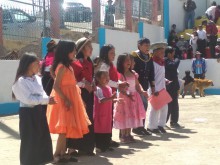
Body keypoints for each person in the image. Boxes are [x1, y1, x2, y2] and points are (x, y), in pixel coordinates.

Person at [47, 41, 91, 163]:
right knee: (63, 129)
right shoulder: (61, 67)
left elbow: (72, 84)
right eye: (73, 50)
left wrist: (80, 100)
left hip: (71, 98)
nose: (75, 53)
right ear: (66, 52)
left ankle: (62, 154)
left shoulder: (68, 66)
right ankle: (56, 155)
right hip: (64, 100)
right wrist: (66, 99)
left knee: (65, 129)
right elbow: (56, 86)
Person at [12, 53, 55, 165]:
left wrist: (47, 99)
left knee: (41, 136)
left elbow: (42, 93)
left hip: (38, 111)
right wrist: (45, 100)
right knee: (30, 139)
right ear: (29, 65)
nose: (39, 66)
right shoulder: (21, 81)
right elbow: (28, 99)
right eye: (37, 64)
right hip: (28, 113)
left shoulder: (37, 78)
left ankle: (41, 160)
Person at [95, 44, 128, 147]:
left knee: (109, 117)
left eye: (114, 52)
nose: (114, 55)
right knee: (104, 118)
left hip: (110, 92)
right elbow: (105, 81)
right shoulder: (104, 66)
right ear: (106, 54)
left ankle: (108, 139)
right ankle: (103, 141)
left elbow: (112, 78)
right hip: (104, 93)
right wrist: (118, 84)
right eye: (111, 53)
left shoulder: (110, 65)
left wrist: (119, 83)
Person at [68, 37, 95, 156]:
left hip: (88, 95)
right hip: (78, 94)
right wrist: (84, 84)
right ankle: (72, 148)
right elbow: (71, 81)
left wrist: (92, 84)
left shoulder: (89, 63)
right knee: (77, 120)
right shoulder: (75, 63)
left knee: (87, 121)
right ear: (82, 48)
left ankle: (86, 147)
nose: (91, 49)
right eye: (89, 46)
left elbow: (91, 77)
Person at [114, 53, 147, 143]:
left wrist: (142, 92)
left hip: (134, 97)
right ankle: (123, 135)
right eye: (126, 60)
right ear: (121, 62)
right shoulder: (120, 74)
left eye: (129, 60)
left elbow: (137, 85)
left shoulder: (133, 74)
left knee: (131, 116)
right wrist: (127, 94)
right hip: (125, 98)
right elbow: (120, 88)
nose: (129, 62)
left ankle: (128, 134)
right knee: (125, 116)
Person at [131, 38, 155, 136]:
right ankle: (136, 127)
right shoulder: (134, 56)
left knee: (144, 106)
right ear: (139, 46)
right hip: (136, 85)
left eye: (148, 45)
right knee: (137, 107)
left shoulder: (149, 57)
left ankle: (141, 126)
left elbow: (151, 73)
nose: (147, 47)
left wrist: (152, 86)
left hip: (145, 85)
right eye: (145, 45)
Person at [147, 43, 169, 134]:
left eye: (164, 52)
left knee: (164, 108)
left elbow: (159, 75)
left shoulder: (161, 62)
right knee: (155, 108)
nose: (163, 54)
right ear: (155, 52)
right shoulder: (152, 62)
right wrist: (153, 89)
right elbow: (151, 77)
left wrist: (165, 80)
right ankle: (152, 126)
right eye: (161, 52)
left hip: (162, 88)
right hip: (155, 89)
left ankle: (161, 125)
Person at [94, 71, 117, 152]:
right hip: (100, 113)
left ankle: (106, 145)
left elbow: (109, 100)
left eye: (108, 76)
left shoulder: (109, 88)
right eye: (104, 77)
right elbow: (102, 100)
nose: (107, 78)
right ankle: (99, 146)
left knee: (107, 128)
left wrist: (115, 100)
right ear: (98, 79)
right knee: (100, 129)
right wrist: (111, 98)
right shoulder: (98, 89)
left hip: (108, 113)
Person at [165, 47, 182, 128]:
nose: (174, 55)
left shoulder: (170, 61)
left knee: (174, 104)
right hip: (168, 87)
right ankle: (163, 122)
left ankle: (174, 121)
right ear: (169, 54)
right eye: (173, 53)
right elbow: (174, 66)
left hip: (174, 86)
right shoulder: (165, 61)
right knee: (168, 105)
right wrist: (177, 59)